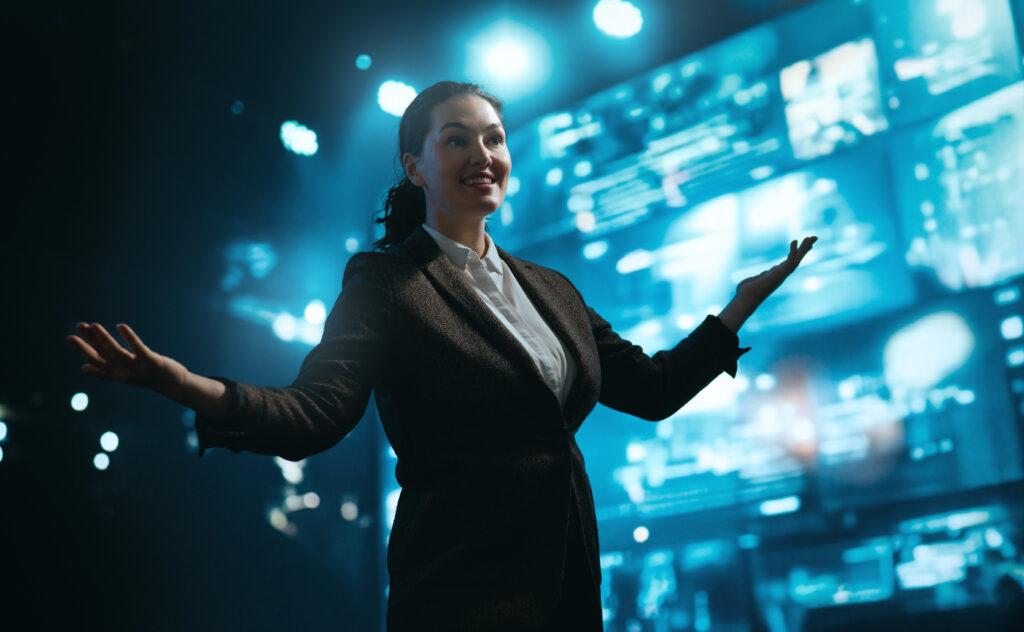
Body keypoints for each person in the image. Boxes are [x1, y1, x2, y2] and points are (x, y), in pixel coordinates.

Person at [68, 81, 815, 631]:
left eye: (492, 136)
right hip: (461, 597)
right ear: (415, 167)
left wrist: (739, 307)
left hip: (567, 592)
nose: (481, 153)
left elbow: (652, 389)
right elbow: (312, 416)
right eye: (455, 138)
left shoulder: (550, 290)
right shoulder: (386, 281)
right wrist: (185, 384)